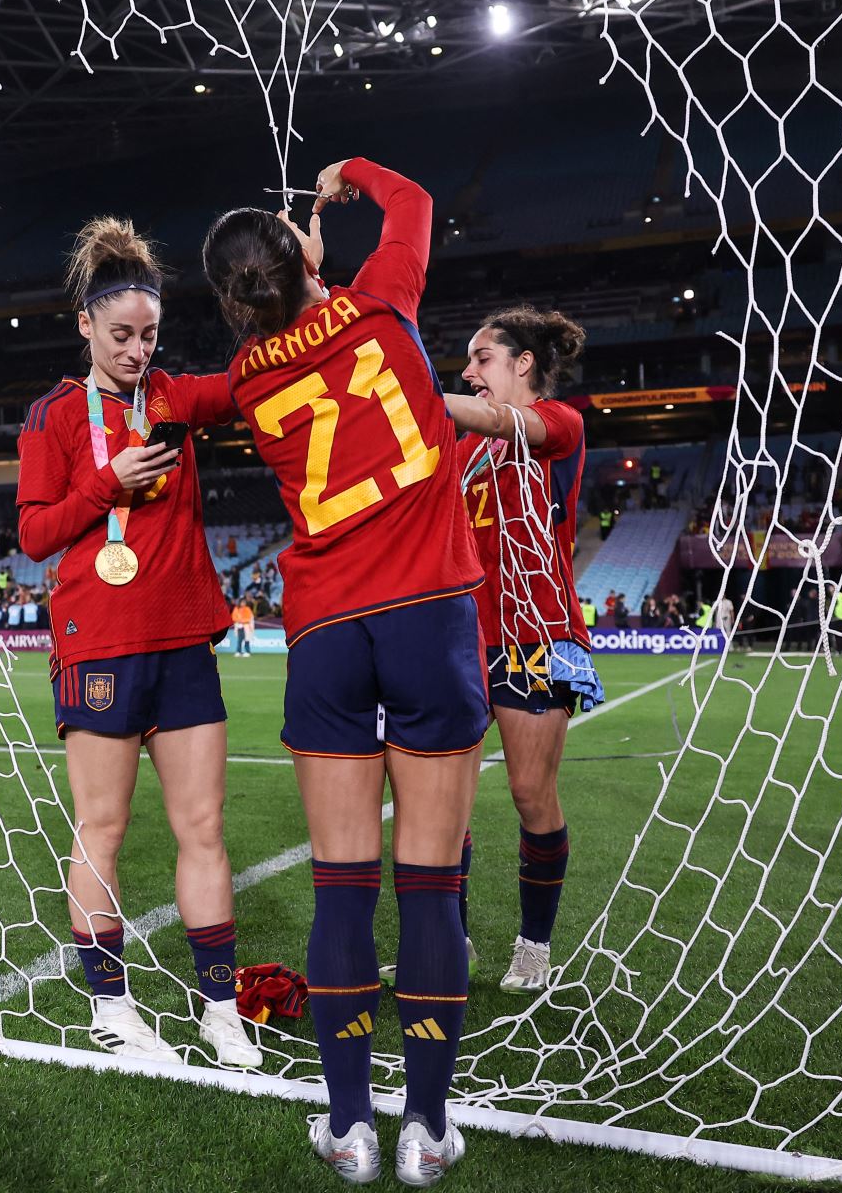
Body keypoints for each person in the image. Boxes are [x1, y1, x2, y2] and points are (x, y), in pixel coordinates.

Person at [203, 156, 482, 1183]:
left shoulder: (242, 377)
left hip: (323, 633)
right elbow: (414, 199)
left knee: (339, 891)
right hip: (428, 616)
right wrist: (346, 180)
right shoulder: (382, 301)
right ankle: (428, 1128)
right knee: (432, 888)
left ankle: (351, 1123)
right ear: (306, 258)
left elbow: (183, 395)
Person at [16, 217, 261, 1071]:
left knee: (204, 827)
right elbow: (38, 535)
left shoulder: (174, 397)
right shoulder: (50, 417)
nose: (136, 350)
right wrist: (104, 484)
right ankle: (111, 1006)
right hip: (101, 645)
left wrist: (289, 293)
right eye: (120, 335)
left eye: (149, 335)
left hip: (185, 639)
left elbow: (246, 382)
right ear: (84, 325)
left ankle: (221, 1008)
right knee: (102, 829)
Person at [435, 304, 604, 996]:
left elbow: (500, 422)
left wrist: (409, 382)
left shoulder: (557, 423)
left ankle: (534, 947)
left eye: (482, 359)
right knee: (445, 806)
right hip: (458, 637)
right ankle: (454, 945)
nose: (469, 371)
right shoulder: (459, 447)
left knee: (531, 794)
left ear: (523, 364)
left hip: (536, 635)